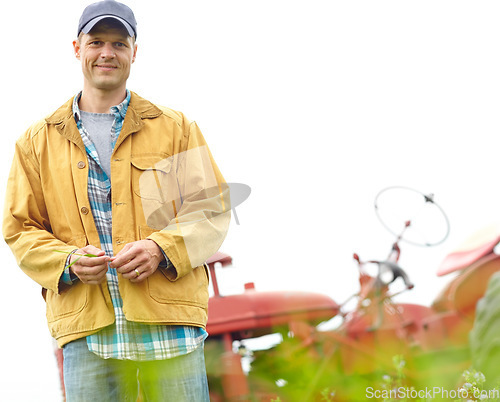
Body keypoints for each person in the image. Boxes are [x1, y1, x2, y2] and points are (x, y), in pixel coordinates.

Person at [2, 0, 230, 400]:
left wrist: (162, 248)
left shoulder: (175, 128)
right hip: (89, 333)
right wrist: (68, 262)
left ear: (134, 52)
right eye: (96, 42)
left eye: (119, 44)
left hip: (170, 328)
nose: (107, 53)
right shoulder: (36, 143)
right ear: (77, 48)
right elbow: (21, 229)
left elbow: (211, 209)